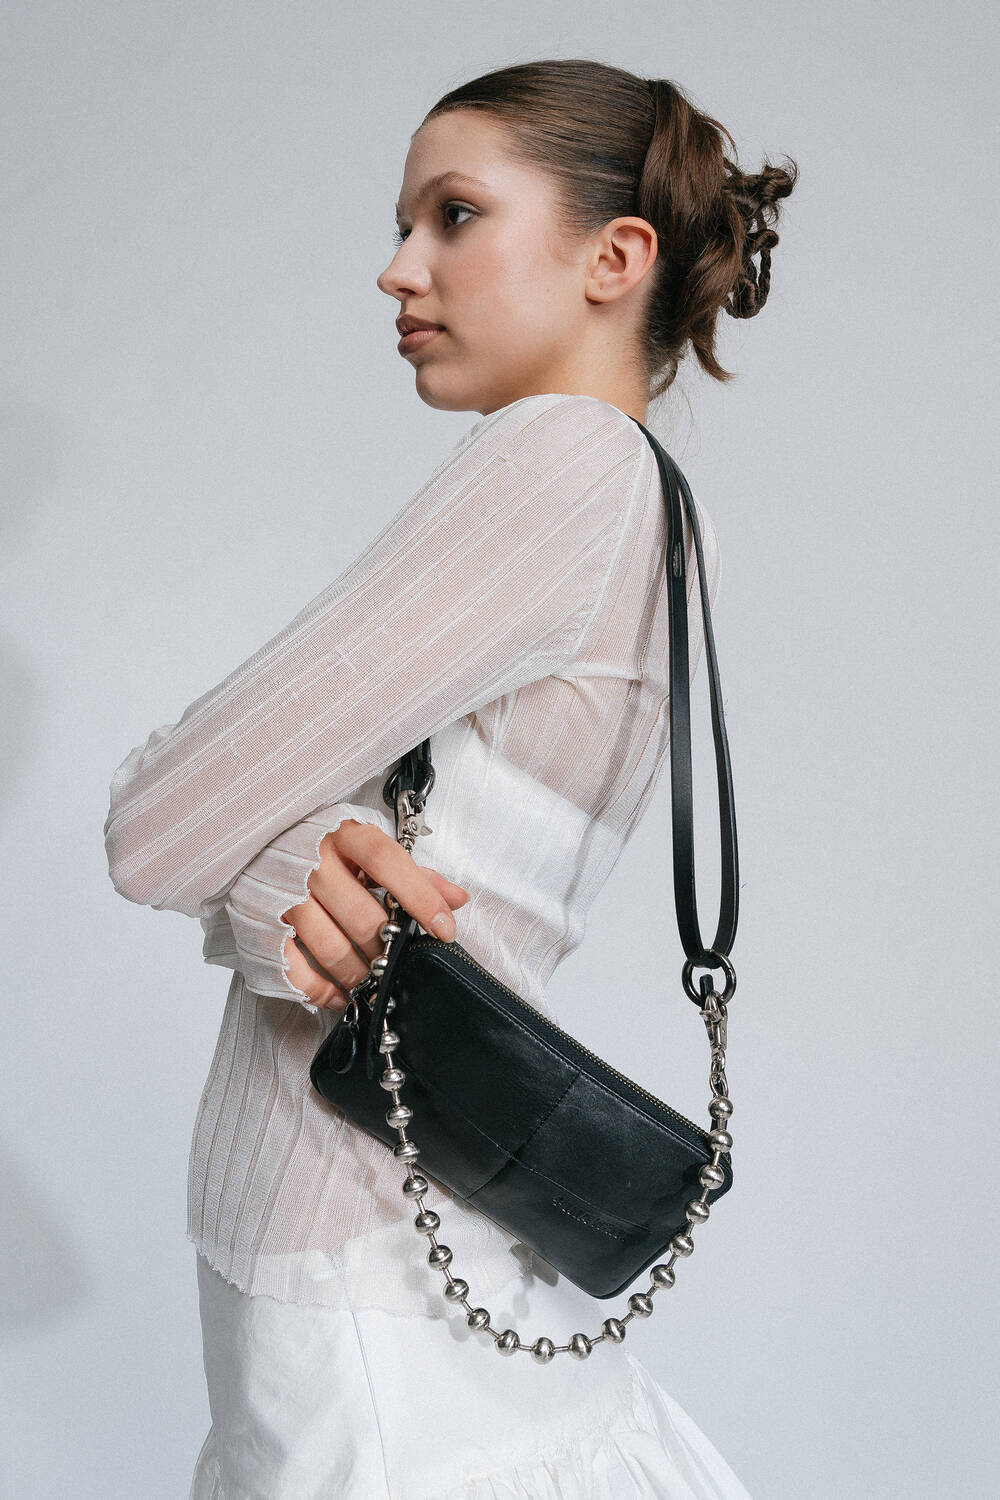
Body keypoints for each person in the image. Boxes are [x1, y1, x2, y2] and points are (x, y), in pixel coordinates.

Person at [104, 57, 796, 1500]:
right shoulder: (662, 512)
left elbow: (157, 825)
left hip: (351, 1256)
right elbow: (444, 870)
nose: (396, 268)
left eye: (454, 215)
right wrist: (302, 873)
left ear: (615, 259)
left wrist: (280, 868)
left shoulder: (561, 465)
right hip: (418, 1236)